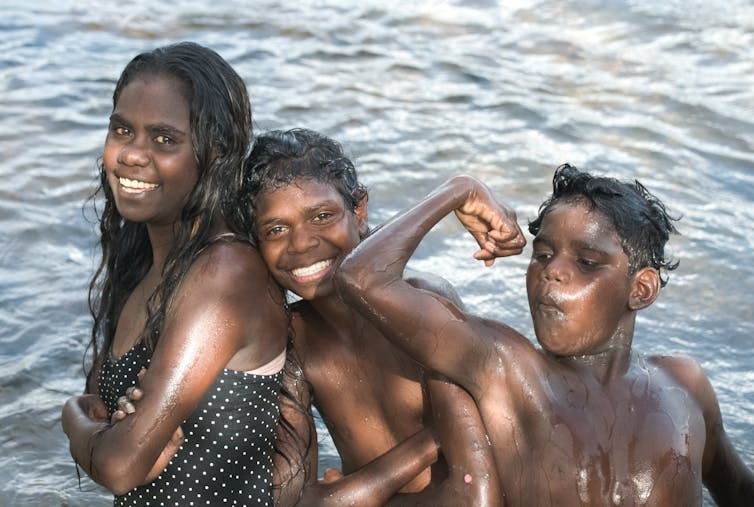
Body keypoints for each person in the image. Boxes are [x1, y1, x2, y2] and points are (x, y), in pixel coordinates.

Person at [336, 164, 754, 505]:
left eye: (587, 261)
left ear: (640, 289)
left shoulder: (685, 385)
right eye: (543, 255)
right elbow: (361, 277)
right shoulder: (507, 371)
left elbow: (737, 490)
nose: (552, 271)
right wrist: (459, 189)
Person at [61, 42, 289, 506]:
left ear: (215, 153)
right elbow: (102, 413)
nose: (132, 155)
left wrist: (71, 420)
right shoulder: (144, 260)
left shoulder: (225, 273)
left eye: (164, 139)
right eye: (122, 130)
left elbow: (122, 465)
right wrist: (101, 429)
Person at [244, 128, 501, 506]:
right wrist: (433, 440)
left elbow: (475, 491)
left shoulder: (422, 303)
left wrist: (353, 494)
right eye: (276, 229)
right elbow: (294, 501)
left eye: (322, 215)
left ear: (359, 210)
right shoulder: (292, 339)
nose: (300, 243)